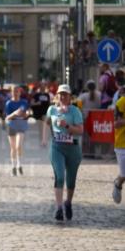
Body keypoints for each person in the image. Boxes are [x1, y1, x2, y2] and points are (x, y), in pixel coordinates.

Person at [45, 84, 83, 222]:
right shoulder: (52, 109)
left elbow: (80, 131)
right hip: (57, 148)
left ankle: (68, 203)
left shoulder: (75, 111)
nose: (63, 96)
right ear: (57, 95)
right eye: (60, 94)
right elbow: (47, 122)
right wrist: (45, 138)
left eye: (65, 94)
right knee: (60, 177)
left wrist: (66, 126)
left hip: (73, 149)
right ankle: (59, 208)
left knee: (71, 181)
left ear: (69, 97)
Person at [4, 85, 31, 175]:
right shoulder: (9, 103)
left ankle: (19, 164)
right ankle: (13, 167)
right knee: (13, 148)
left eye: (17, 91)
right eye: (14, 91)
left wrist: (27, 114)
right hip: (11, 126)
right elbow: (7, 118)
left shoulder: (24, 102)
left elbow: (28, 112)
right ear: (11, 92)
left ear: (20, 92)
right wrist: (15, 113)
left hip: (21, 126)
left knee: (18, 146)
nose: (15, 93)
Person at [112, 84, 125, 204]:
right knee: (124, 174)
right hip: (122, 144)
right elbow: (116, 123)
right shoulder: (121, 102)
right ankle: (118, 183)